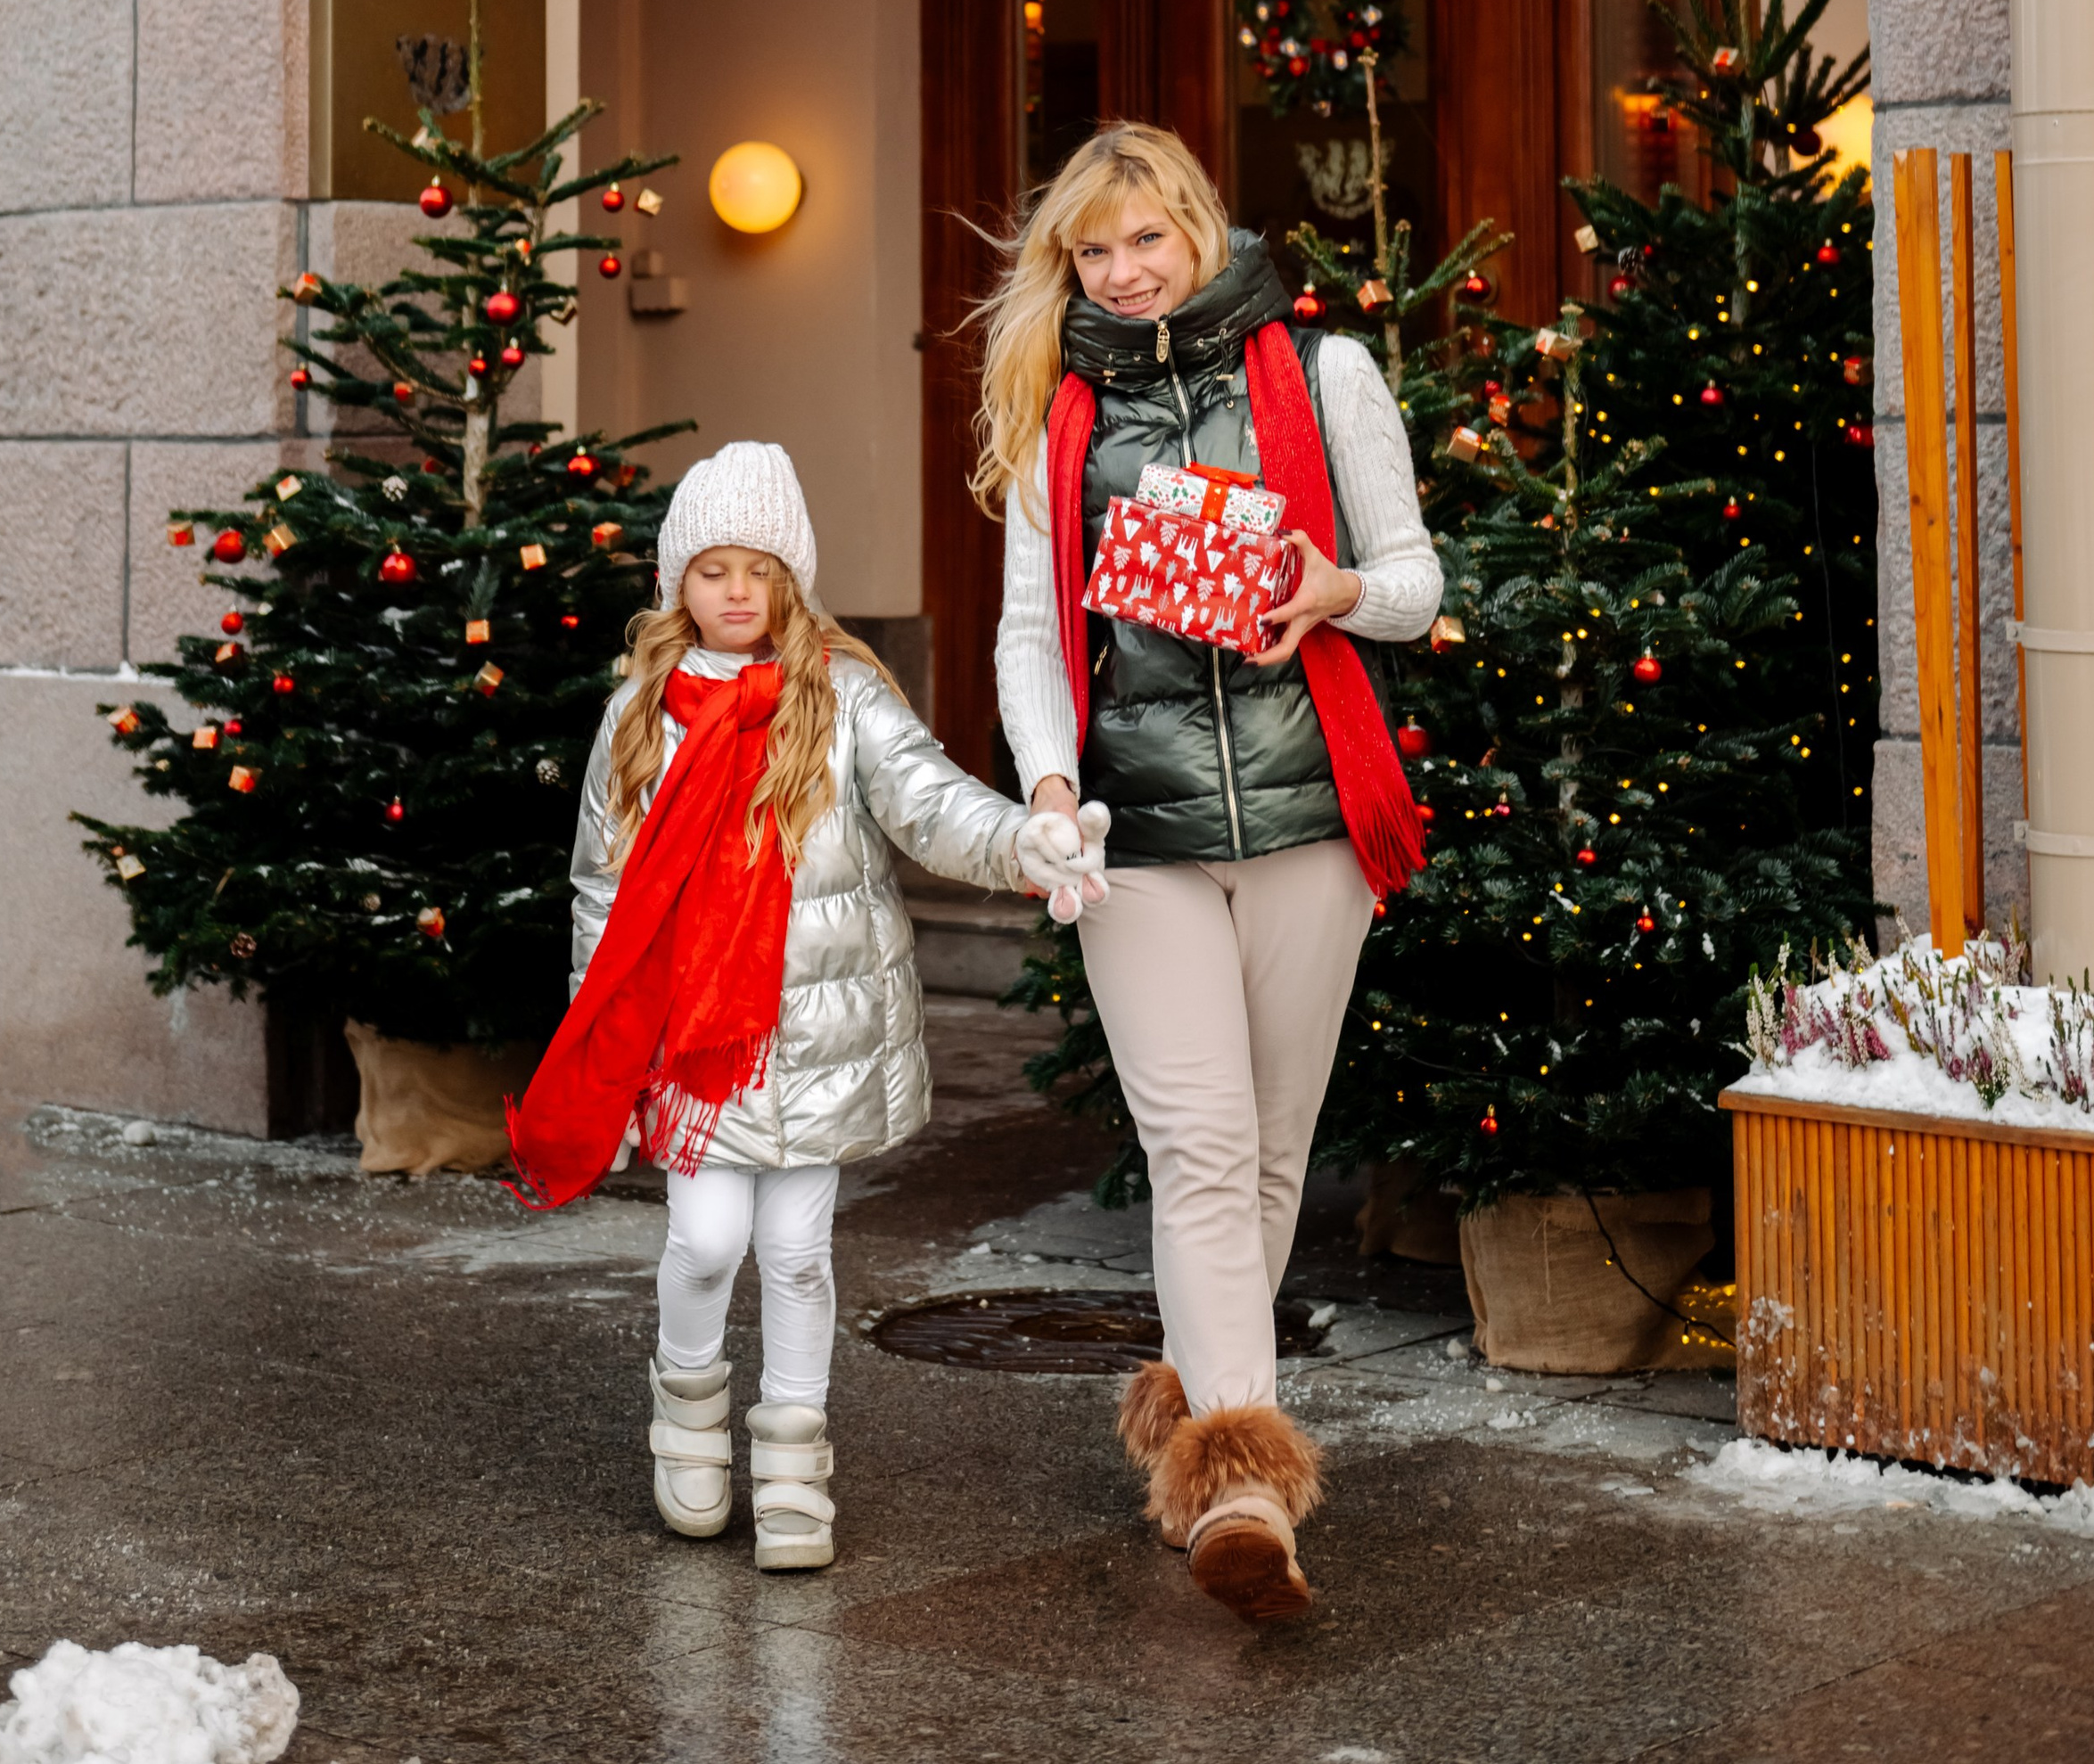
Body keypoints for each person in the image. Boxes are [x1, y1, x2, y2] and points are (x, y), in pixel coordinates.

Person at [978, 123, 1440, 1622]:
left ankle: (1203, 1420)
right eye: (1092, 252)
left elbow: (1420, 585)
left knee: (1267, 1157)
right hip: (1141, 840)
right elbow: (1032, 636)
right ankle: (1244, 1495)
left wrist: (1335, 591)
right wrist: (1049, 780)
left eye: (1143, 241)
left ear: (1197, 225)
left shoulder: (1324, 376)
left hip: (1313, 827)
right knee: (1194, 1146)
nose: (1119, 272)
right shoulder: (1063, 410)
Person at [506, 440, 1102, 1571]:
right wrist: (601, 1026)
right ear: (676, 583)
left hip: (820, 1037)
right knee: (704, 1239)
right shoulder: (643, 713)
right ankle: (685, 1409)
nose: (737, 591)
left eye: (760, 568)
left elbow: (930, 806)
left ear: (794, 580)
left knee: (794, 1250)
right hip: (692, 1042)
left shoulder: (843, 695)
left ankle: (791, 1460)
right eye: (712, 568)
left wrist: (1026, 839)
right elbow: (600, 881)